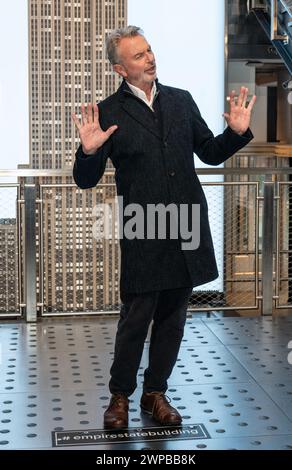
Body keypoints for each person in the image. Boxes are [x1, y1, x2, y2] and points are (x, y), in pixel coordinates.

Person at [72, 26, 256, 429]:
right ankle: (119, 397)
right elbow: (85, 178)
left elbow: (208, 152)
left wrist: (236, 134)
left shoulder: (180, 101)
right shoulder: (108, 112)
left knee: (173, 317)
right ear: (121, 69)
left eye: (149, 50)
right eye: (138, 56)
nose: (149, 58)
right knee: (137, 317)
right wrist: (88, 151)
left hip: (186, 225)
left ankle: (156, 393)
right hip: (144, 228)